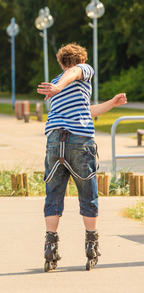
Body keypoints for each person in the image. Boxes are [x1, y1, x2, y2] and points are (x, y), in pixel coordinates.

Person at [37, 43, 127, 272]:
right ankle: (91, 244)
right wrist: (59, 85)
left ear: (60, 62)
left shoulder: (60, 83)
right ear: (82, 60)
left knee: (54, 195)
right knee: (88, 194)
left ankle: (50, 247)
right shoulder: (80, 71)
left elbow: (87, 110)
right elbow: (74, 71)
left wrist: (112, 104)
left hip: (55, 141)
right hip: (79, 141)